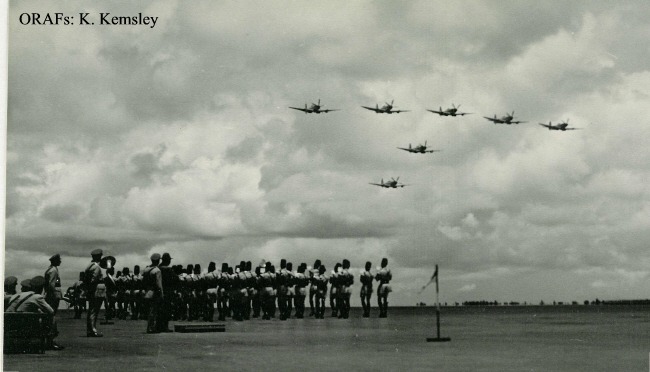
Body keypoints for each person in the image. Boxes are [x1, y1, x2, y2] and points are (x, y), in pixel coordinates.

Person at [7, 276, 62, 350]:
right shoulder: (37, 297)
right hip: (25, 325)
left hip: (10, 323)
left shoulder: (15, 295)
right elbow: (51, 311)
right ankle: (50, 341)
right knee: (52, 317)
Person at [44, 254, 63, 348]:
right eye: (59, 260)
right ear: (55, 261)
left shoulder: (50, 269)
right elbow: (52, 284)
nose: (60, 261)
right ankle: (50, 340)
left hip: (51, 295)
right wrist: (55, 295)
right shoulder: (54, 270)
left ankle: (50, 339)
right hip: (53, 296)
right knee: (52, 317)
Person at [85, 249, 105, 337]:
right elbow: (94, 280)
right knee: (94, 311)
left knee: (91, 311)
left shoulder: (89, 265)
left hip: (92, 290)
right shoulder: (97, 267)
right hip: (97, 290)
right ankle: (93, 330)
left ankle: (90, 329)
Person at [143, 253, 164, 333]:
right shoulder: (157, 270)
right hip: (154, 292)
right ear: (158, 260)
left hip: (147, 292)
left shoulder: (146, 269)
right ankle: (151, 328)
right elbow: (159, 284)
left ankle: (150, 327)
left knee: (150, 311)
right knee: (154, 311)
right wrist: (161, 293)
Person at [158, 253, 175, 330]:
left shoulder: (158, 268)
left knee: (160, 309)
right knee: (167, 309)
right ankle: (165, 326)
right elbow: (176, 280)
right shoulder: (169, 270)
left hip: (158, 291)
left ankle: (159, 326)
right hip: (168, 291)